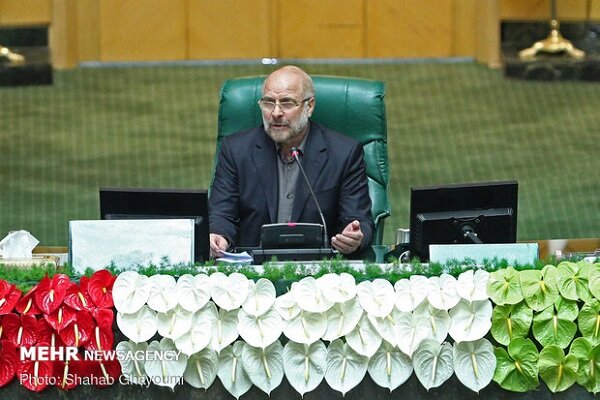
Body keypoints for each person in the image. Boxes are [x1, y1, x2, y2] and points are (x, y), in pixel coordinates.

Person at [209, 65, 373, 258]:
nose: (276, 113)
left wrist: (354, 237)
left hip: (319, 271)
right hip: (252, 270)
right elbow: (221, 213)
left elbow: (359, 220)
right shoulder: (236, 150)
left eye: (286, 103)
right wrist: (218, 235)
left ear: (309, 106)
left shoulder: (344, 153)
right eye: (269, 103)